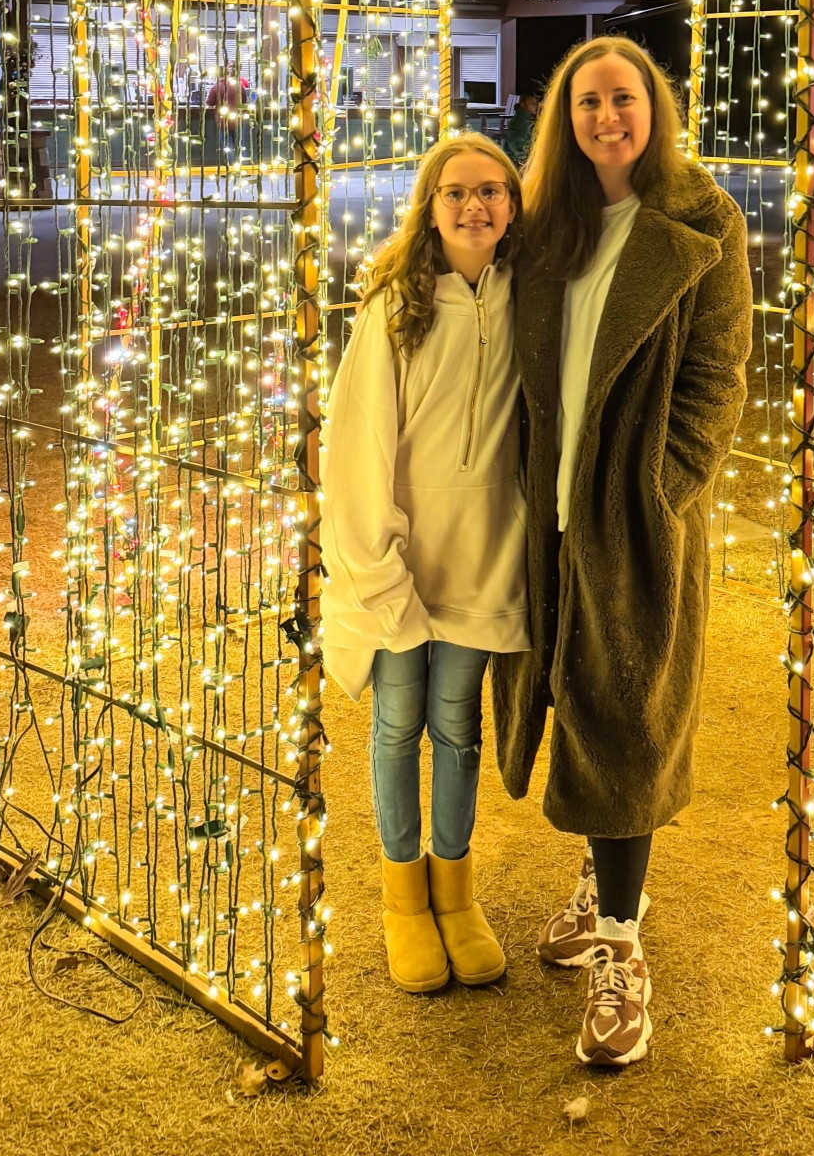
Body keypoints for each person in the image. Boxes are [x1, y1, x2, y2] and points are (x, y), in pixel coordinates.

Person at [492, 36, 752, 1068]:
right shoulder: (545, 223)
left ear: (655, 109)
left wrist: (661, 489)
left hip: (635, 516)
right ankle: (602, 881)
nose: (608, 116)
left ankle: (621, 949)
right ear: (566, 116)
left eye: (625, 98)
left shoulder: (701, 220)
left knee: (629, 715)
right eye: (589, 100)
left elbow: (717, 377)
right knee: (563, 695)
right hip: (540, 507)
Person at [323, 131, 528, 995]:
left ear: (513, 204)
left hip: (485, 558)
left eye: (491, 191)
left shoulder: (532, 297)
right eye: (456, 193)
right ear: (430, 206)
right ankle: (403, 899)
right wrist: (375, 562)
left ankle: (455, 892)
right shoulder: (395, 307)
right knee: (397, 725)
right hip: (400, 559)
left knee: (459, 730)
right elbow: (359, 447)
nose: (474, 206)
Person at [501, 92, 540, 169]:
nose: (535, 106)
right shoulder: (522, 120)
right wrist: (524, 159)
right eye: (532, 104)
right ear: (523, 104)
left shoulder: (528, 118)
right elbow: (517, 142)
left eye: (536, 103)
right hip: (519, 161)